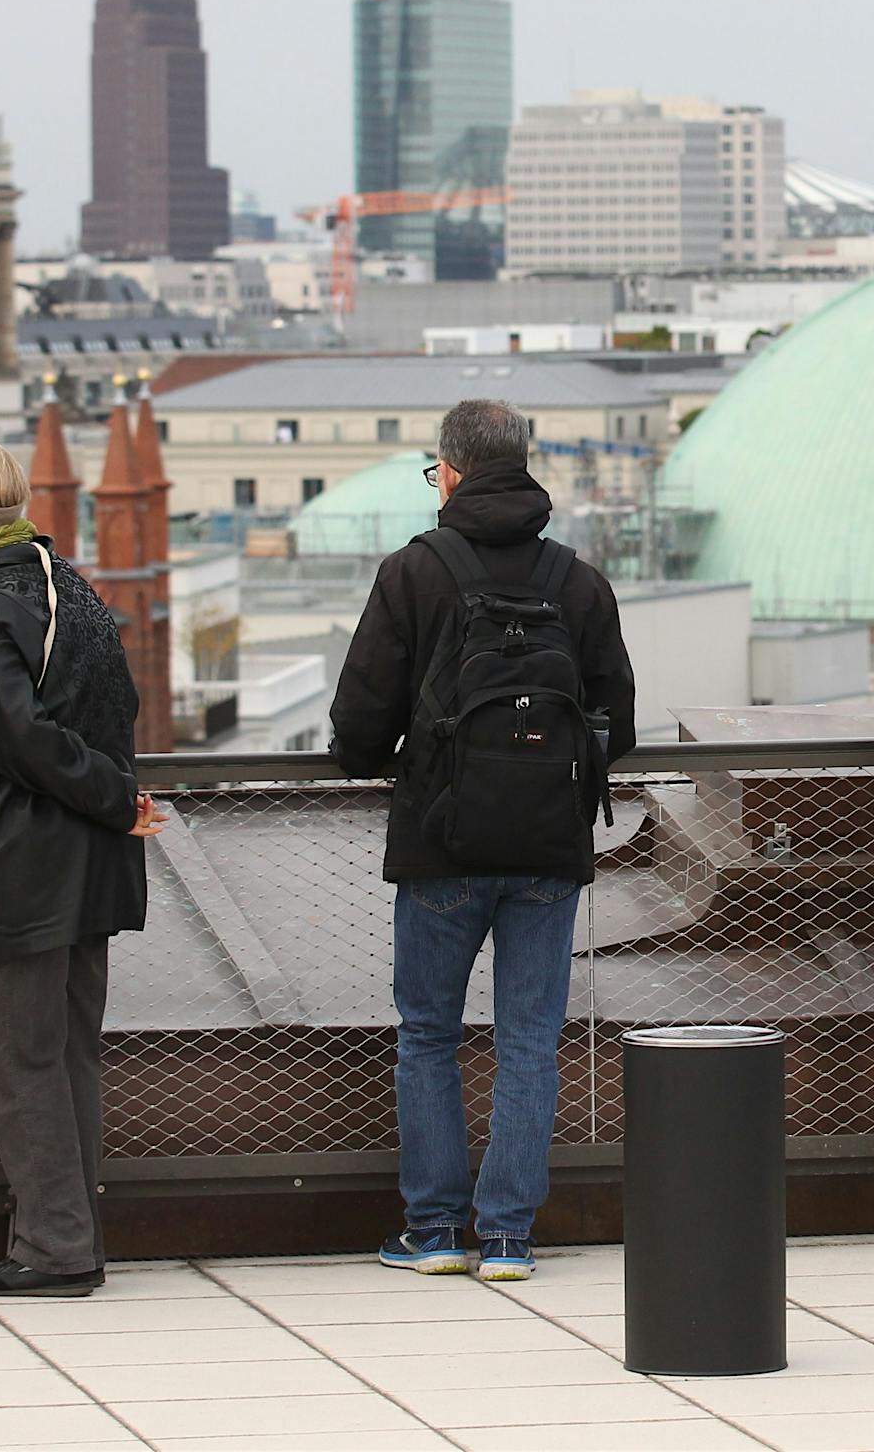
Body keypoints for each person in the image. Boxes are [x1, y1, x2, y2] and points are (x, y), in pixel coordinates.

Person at [330, 399, 635, 1282]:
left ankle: (432, 1233)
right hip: (549, 851)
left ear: (451, 472)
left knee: (428, 1032)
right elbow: (615, 715)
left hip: (441, 844)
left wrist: (401, 761)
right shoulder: (575, 579)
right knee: (529, 1041)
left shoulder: (415, 572)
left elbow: (359, 723)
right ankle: (507, 1238)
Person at [0, 438, 164, 1298]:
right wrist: (114, 801)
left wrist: (111, 797)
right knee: (69, 1054)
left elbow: (17, 738)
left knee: (20, 1061)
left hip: (19, 863)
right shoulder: (68, 588)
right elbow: (107, 709)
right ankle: (67, 1235)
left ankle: (53, 1251)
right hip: (87, 864)